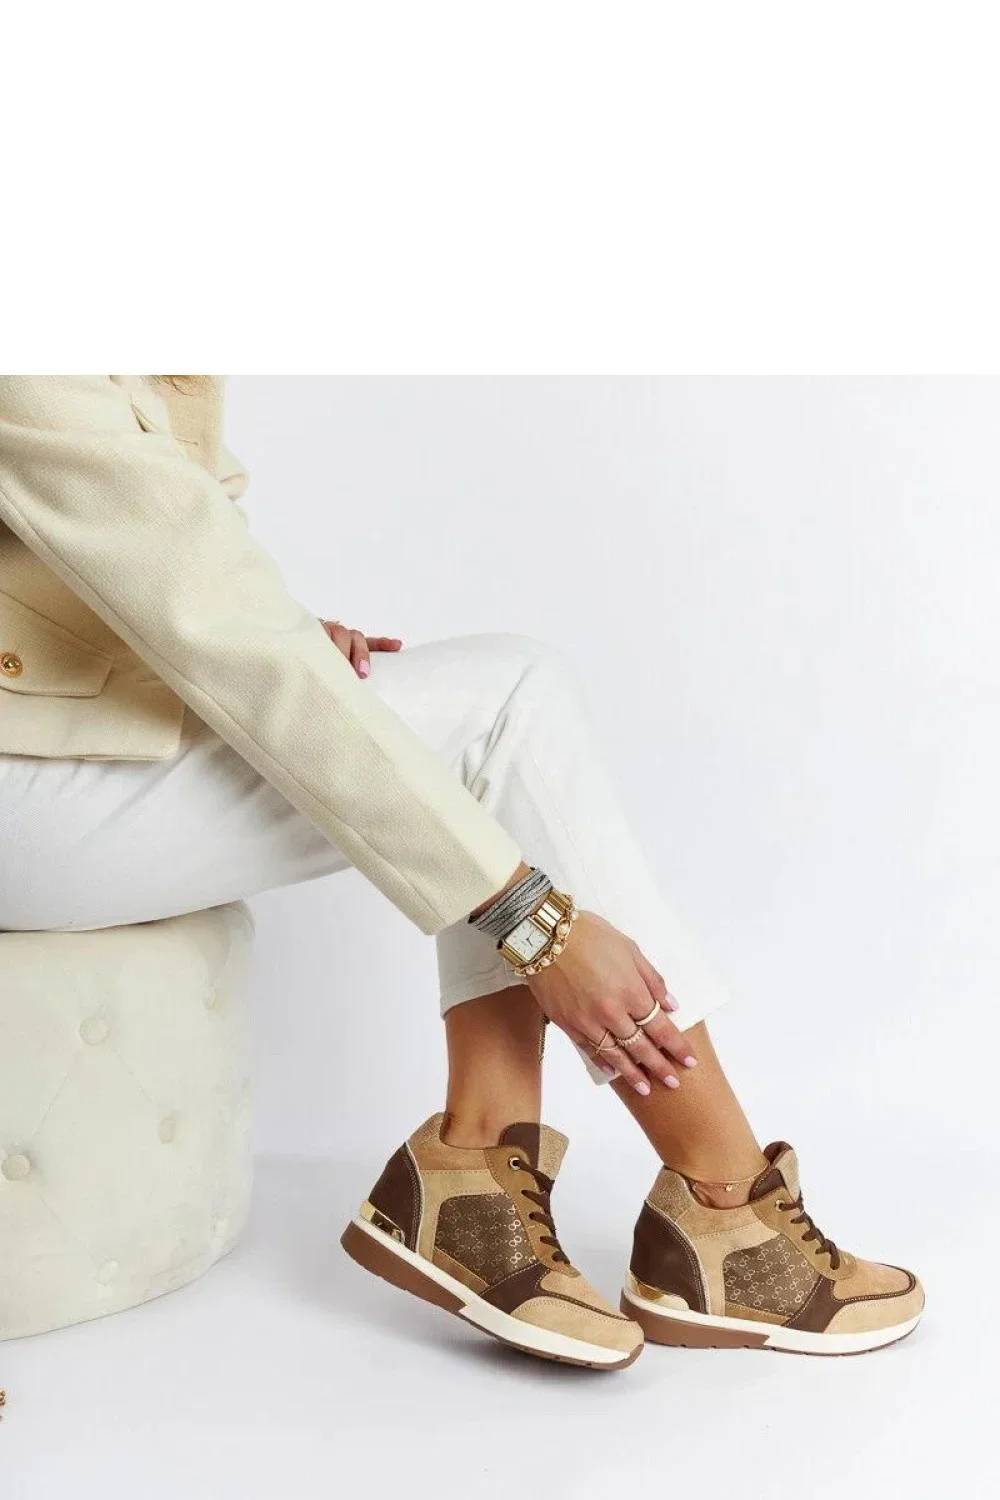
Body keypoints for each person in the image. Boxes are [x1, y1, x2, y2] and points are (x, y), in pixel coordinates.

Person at [0, 375, 923, 1368]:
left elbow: (172, 548)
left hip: (60, 741)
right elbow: (205, 608)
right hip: (25, 793)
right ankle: (722, 1208)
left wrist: (284, 636)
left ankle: (478, 1166)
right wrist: (540, 926)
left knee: (506, 690)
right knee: (499, 716)